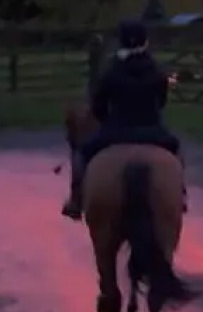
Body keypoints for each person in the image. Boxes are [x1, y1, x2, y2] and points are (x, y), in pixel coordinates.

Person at [62, 18, 184, 220]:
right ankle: (181, 196)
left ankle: (76, 200)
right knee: (177, 152)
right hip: (153, 130)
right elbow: (161, 102)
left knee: (82, 154)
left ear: (122, 42)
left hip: (116, 130)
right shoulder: (157, 72)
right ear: (145, 41)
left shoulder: (111, 72)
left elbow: (98, 106)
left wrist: (107, 120)